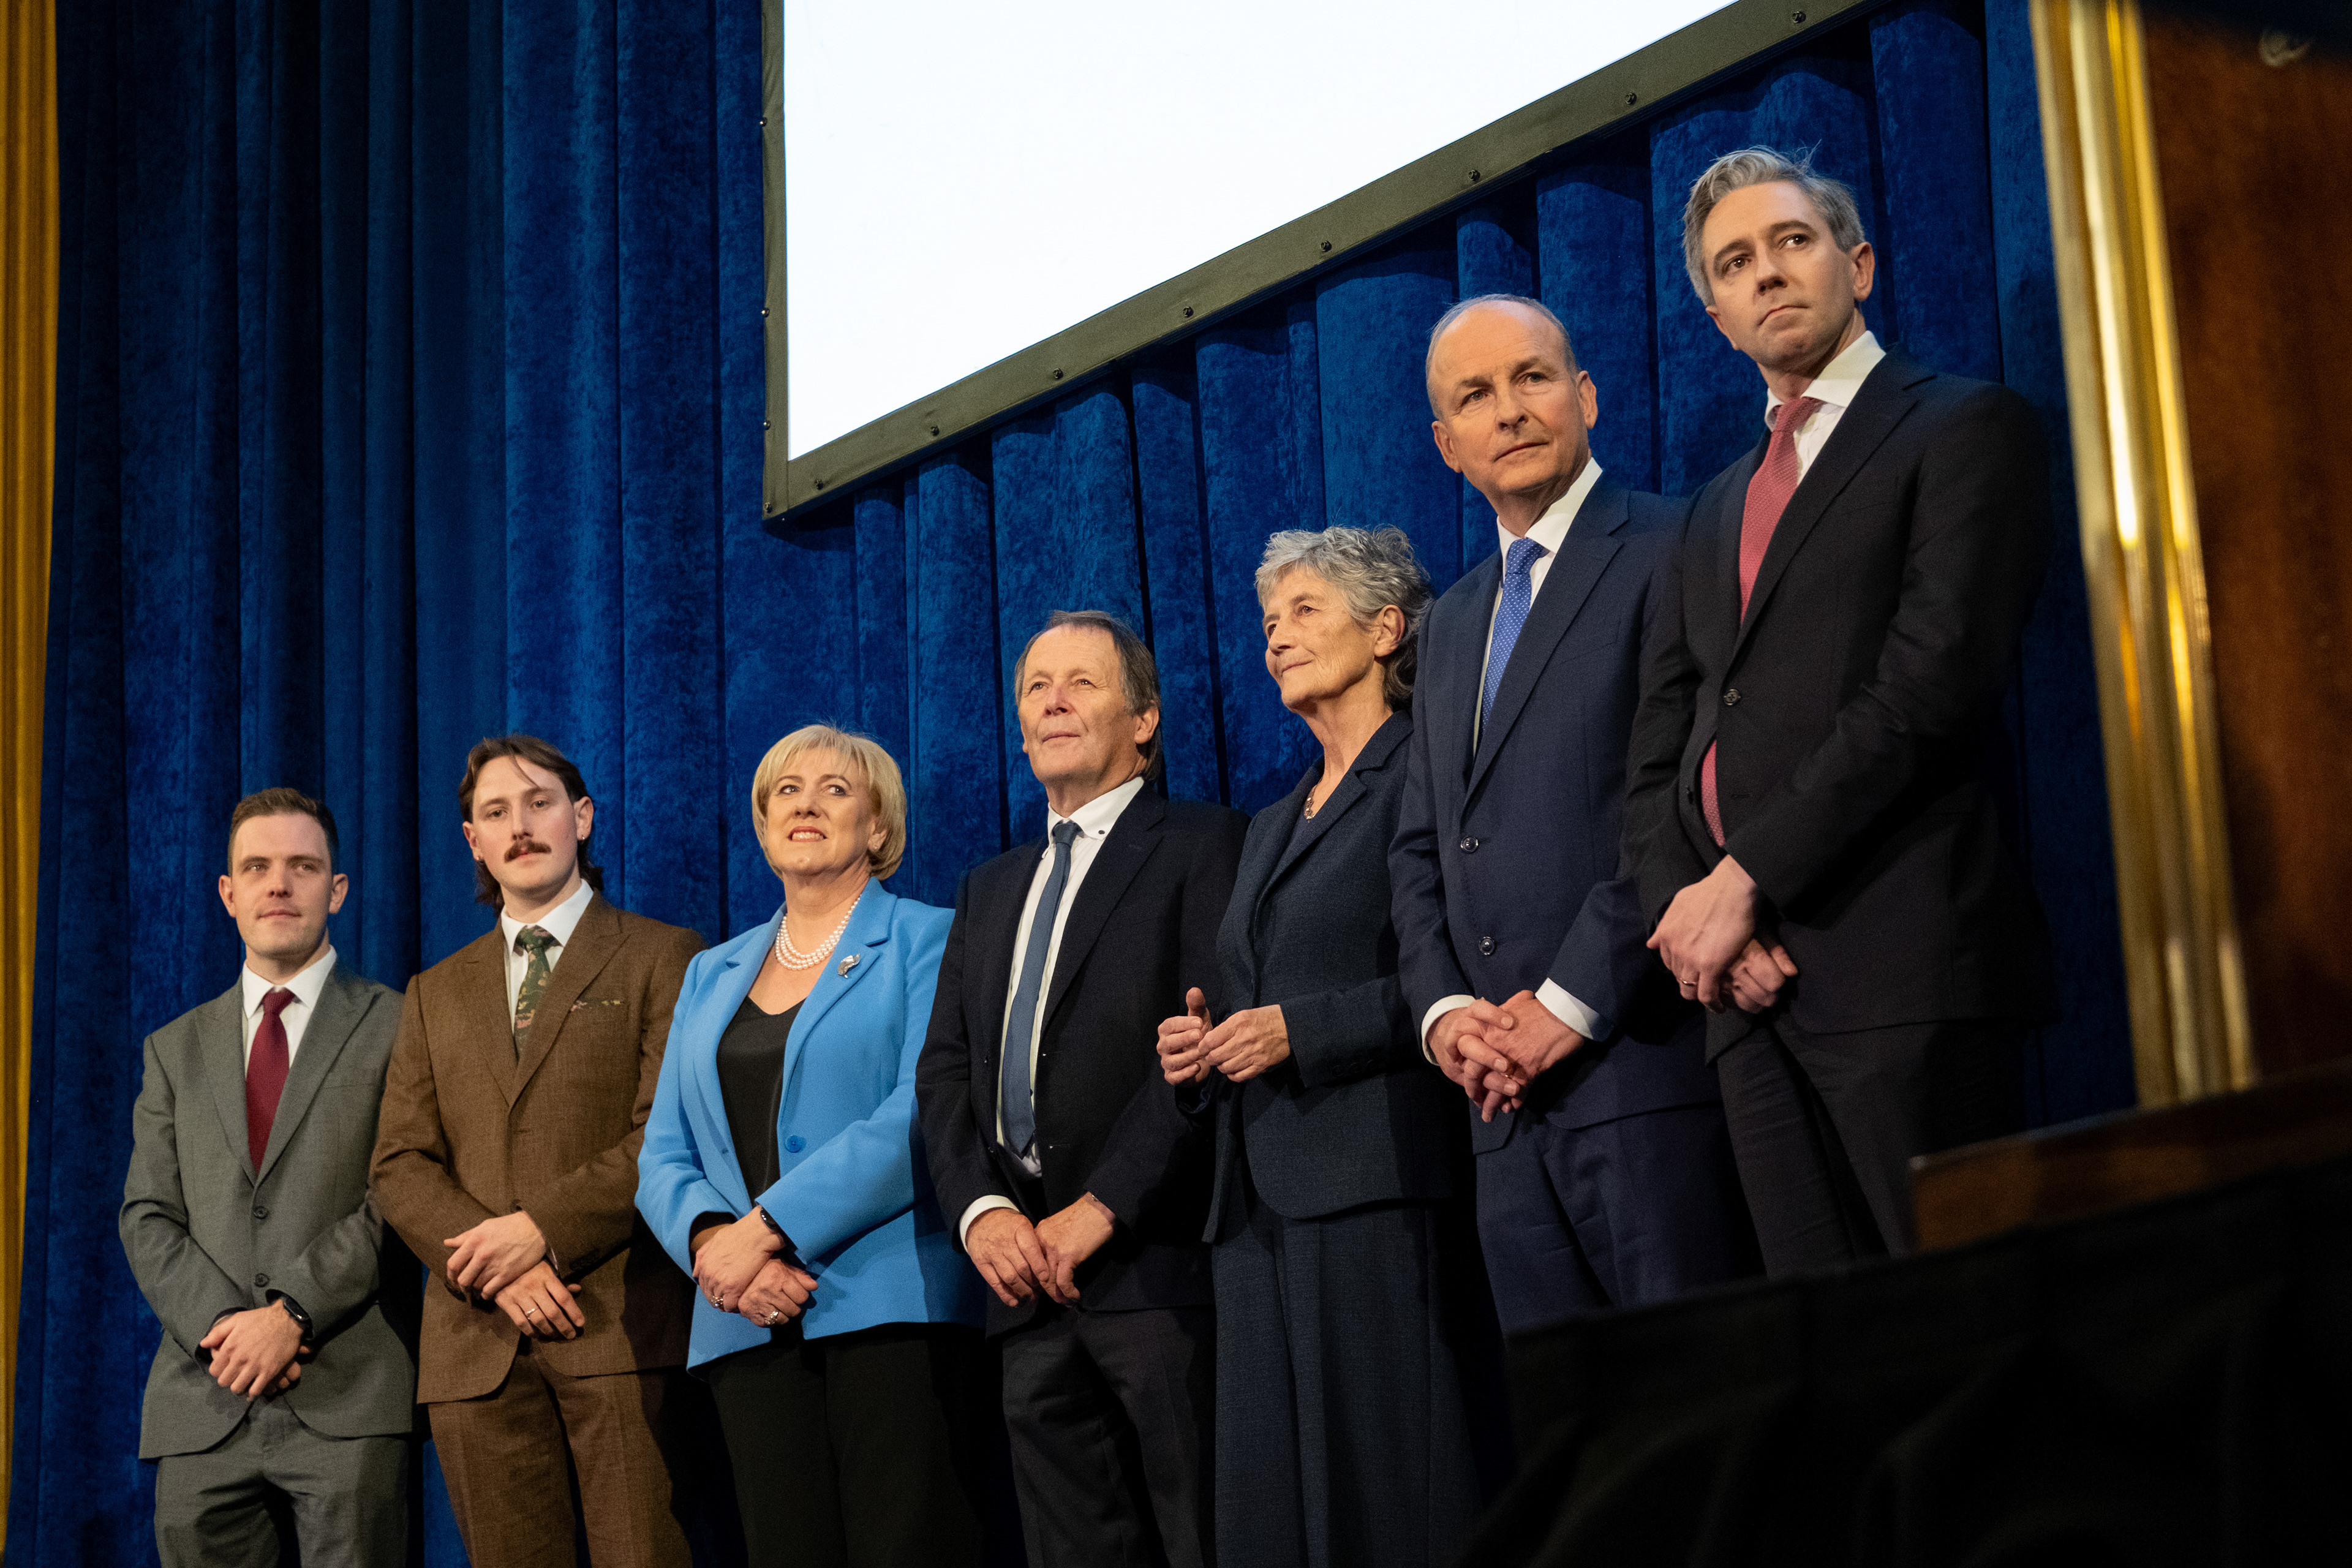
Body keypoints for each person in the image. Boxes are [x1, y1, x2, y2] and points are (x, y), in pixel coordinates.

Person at [1630, 147, 2054, 1272]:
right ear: (1716, 316)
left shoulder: (1962, 427)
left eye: (1792, 242)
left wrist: (1747, 880)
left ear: (1856, 264)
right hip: (1744, 996)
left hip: (1901, 968)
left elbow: (1932, 684)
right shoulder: (1714, 508)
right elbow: (1664, 751)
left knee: (1971, 1338)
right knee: (1842, 1377)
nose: (1767, 274)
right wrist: (1701, 909)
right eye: (1735, 263)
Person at [1392, 295, 1757, 1367]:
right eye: (1475, 396)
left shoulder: (1675, 544)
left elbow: (1689, 797)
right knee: (1587, 1456)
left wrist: (1567, 1004)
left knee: (1707, 1422)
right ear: (1445, 445)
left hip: (1643, 1074)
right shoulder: (1452, 619)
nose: (1508, 411)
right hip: (1499, 1111)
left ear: (1586, 395)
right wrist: (1449, 1016)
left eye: (1532, 378)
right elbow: (1420, 847)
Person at [1158, 527, 1498, 1568]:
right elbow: (1259, 989)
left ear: (1387, 627)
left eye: (1306, 611)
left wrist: (1300, 1032)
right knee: (1275, 1505)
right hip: (1256, 1203)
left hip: (1378, 1179)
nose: (1277, 639)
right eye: (1268, 623)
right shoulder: (1268, 821)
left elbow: (1462, 974)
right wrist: (1204, 1050)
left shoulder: (1431, 774)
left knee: (1390, 1484)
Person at [916, 610, 1247, 1568]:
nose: (1054, 702)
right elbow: (945, 1075)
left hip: (1156, 1271)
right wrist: (982, 1214)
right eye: (1035, 688)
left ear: (1145, 719)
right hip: (1023, 1288)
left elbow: (1203, 1046)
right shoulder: (989, 887)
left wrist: (1101, 1208)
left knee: (1206, 1539)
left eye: (1082, 684)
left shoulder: (1205, 844)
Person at [636, 725, 990, 1566]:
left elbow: (920, 1111)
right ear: (762, 828)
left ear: (878, 828)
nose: (806, 804)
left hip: (889, 1309)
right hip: (743, 1320)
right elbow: (663, 1153)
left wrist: (763, 1229)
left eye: (835, 790)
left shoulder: (929, 938)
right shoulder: (710, 971)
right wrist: (713, 1249)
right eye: (786, 792)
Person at [371, 735, 703, 1568]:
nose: (520, 826)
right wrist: (503, 1265)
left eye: (540, 803)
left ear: (582, 817)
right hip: (475, 1349)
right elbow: (399, 1166)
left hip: (622, 1335)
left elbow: (664, 1135)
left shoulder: (670, 956)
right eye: (495, 813)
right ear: (472, 841)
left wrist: (540, 1231)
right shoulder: (433, 991)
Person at [120, 788, 417, 1568]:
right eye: (256, 867)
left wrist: (293, 1312)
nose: (278, 884)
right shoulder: (173, 1048)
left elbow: (405, 1190)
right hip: (203, 1399)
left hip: (348, 1393)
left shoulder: (402, 1023)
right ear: (228, 893)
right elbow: (147, 1215)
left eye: (302, 865)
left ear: (337, 888)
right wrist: (229, 1328)